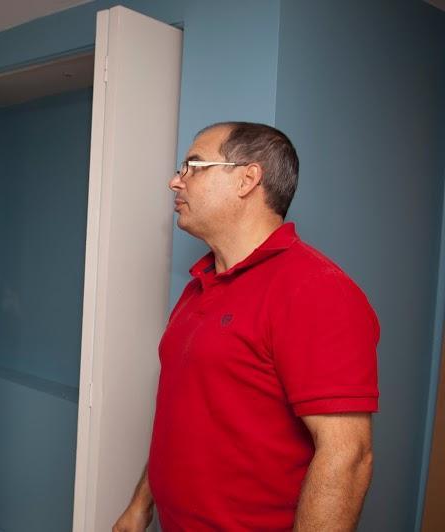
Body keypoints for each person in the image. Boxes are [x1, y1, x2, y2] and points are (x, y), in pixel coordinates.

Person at [113, 122, 379, 531]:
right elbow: (182, 415)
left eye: (193, 166)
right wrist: (140, 504)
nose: (175, 181)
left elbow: (348, 456)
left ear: (247, 179)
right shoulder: (198, 287)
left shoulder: (315, 290)